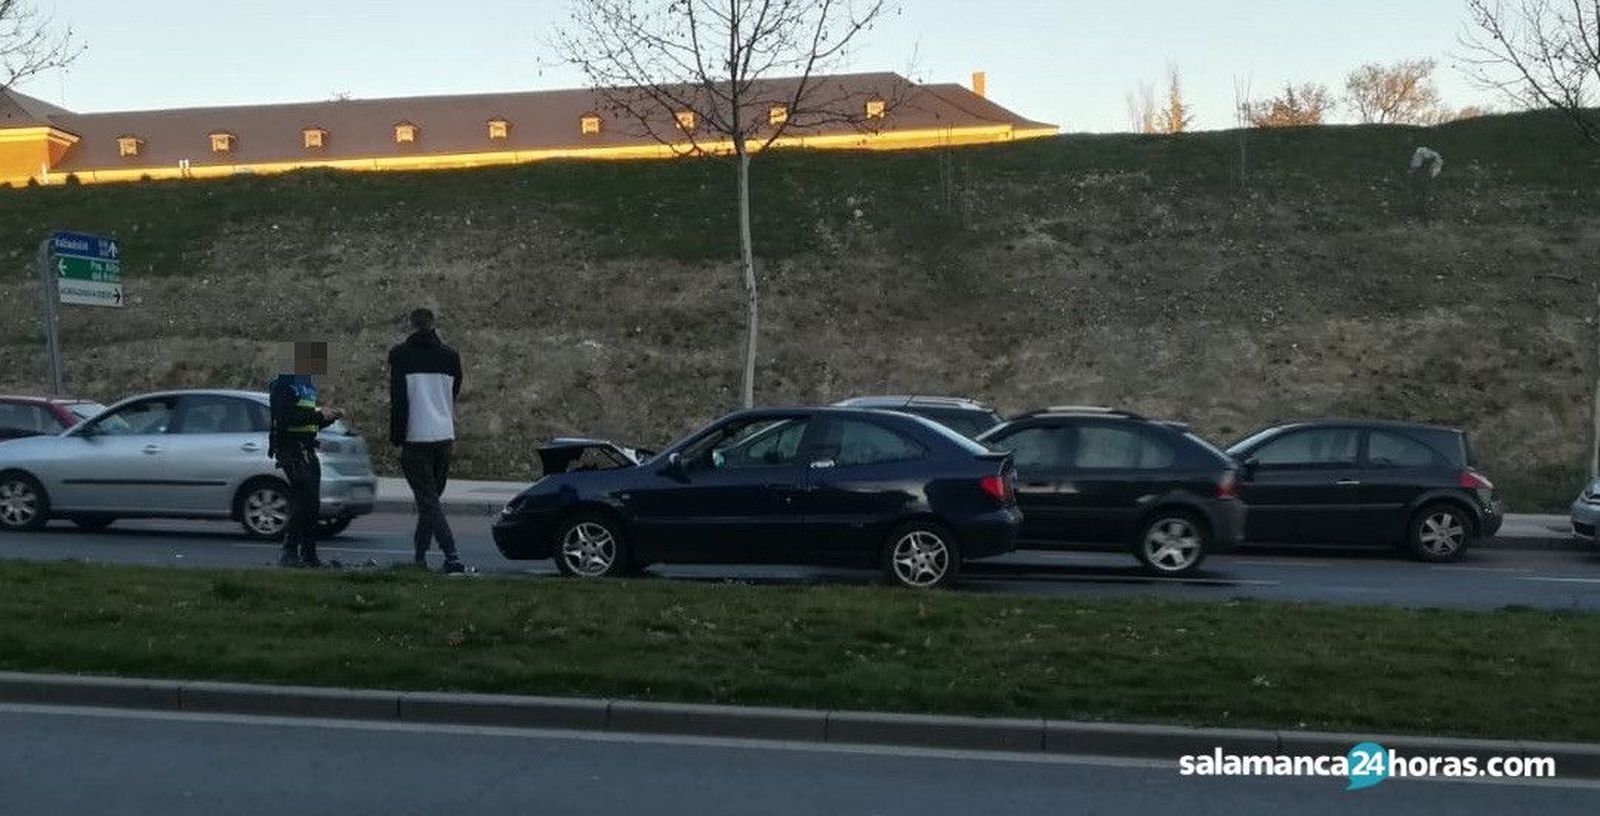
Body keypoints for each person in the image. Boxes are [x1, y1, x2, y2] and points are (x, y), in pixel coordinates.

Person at [388, 308, 465, 573]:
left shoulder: (399, 355)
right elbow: (454, 392)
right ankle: (420, 557)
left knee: (428, 502)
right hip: (444, 436)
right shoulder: (451, 357)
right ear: (433, 325)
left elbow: (398, 400)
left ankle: (452, 555)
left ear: (411, 325)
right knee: (429, 502)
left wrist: (397, 438)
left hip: (415, 437)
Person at [268, 341, 342, 568]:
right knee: (305, 502)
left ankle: (309, 556)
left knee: (311, 504)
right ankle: (290, 552)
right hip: (292, 448)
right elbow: (287, 418)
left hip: (306, 447)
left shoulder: (306, 385)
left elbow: (305, 422)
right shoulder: (286, 384)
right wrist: (320, 416)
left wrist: (327, 419)